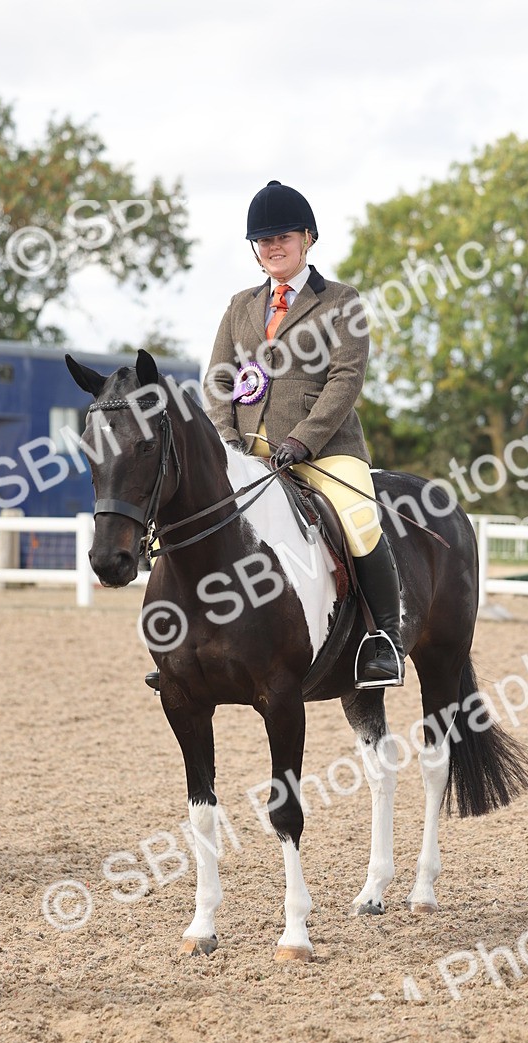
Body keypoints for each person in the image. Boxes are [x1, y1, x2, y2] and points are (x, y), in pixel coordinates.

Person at [200, 181, 404, 688]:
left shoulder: (341, 301)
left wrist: (305, 440)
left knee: (359, 520)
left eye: (283, 236)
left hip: (324, 450)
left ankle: (385, 642)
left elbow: (345, 379)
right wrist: (227, 440)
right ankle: (193, 649)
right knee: (201, 522)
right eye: (263, 240)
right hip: (249, 451)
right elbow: (219, 379)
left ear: (307, 238)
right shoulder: (239, 306)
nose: (272, 247)